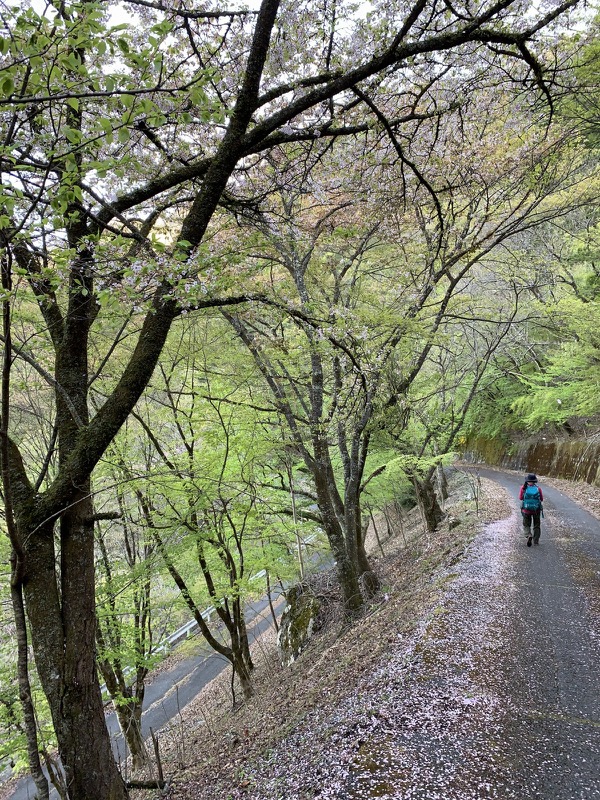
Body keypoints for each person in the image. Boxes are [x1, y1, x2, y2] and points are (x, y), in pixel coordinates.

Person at [519, 473, 544, 546]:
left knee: (526, 524)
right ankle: (536, 540)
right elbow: (541, 499)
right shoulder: (538, 488)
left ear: (527, 481)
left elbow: (520, 498)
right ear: (534, 481)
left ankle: (529, 535)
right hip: (536, 510)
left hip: (526, 510)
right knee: (536, 525)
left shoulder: (523, 488)